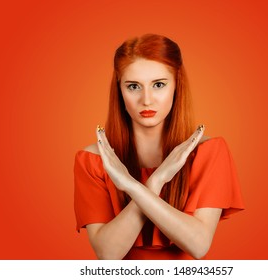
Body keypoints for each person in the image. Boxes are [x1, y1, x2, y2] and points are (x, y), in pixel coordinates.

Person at [74, 34, 244, 260]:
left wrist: (134, 187)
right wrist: (155, 184)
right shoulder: (92, 159)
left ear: (177, 85)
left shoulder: (209, 152)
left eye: (159, 85)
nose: (146, 100)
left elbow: (199, 244)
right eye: (133, 86)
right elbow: (107, 254)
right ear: (119, 90)